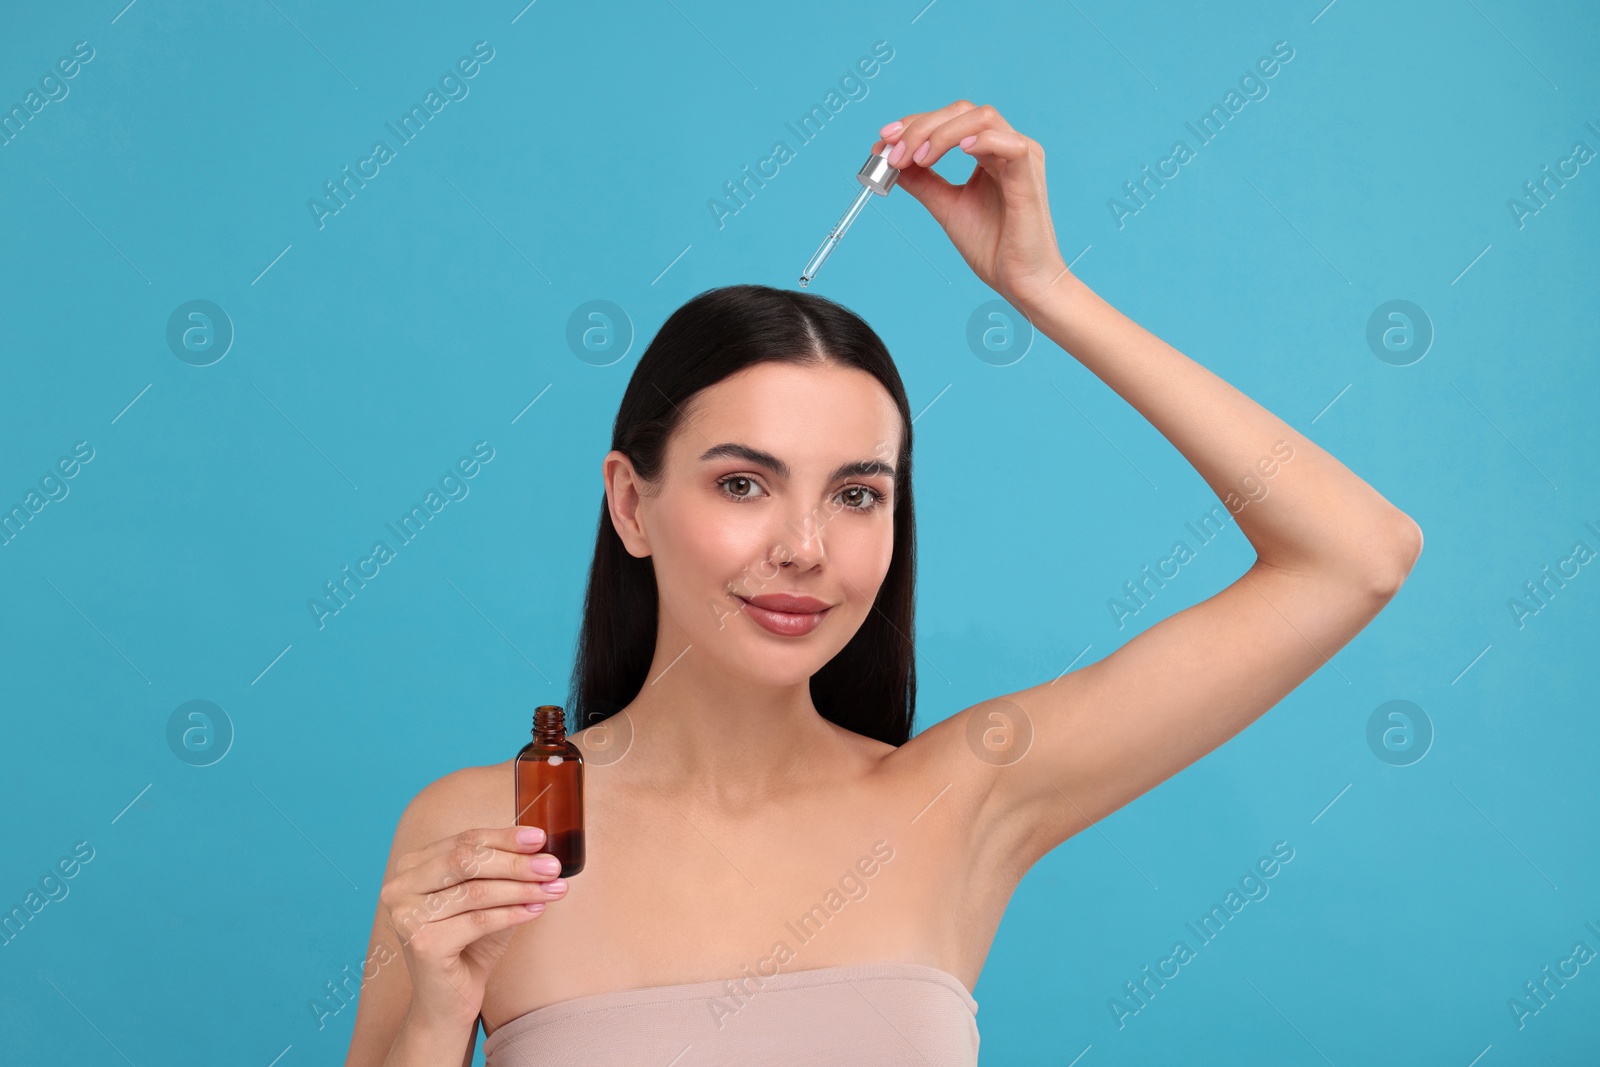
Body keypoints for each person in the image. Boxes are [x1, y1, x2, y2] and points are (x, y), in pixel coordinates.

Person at [345, 101, 1423, 1066]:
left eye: (857, 494)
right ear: (631, 502)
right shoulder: (499, 826)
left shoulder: (962, 800)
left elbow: (1354, 552)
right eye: (742, 482)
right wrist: (436, 1018)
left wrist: (1041, 288)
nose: (805, 546)